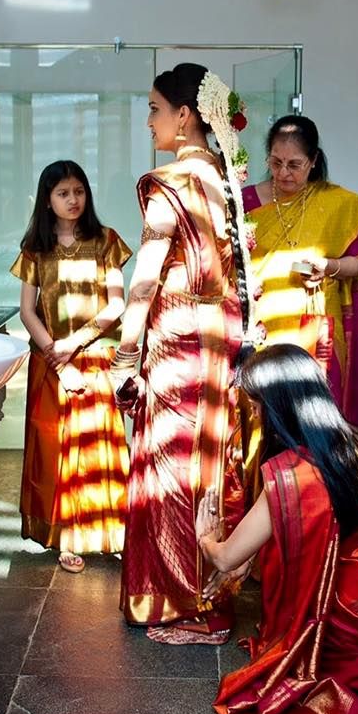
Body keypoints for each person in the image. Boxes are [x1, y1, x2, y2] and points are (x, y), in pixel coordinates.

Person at [110, 63, 254, 644]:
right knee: (211, 455)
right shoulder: (225, 180)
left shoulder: (173, 181)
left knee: (171, 462)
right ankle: (209, 588)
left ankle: (180, 601)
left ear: (184, 115)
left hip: (178, 335)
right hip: (219, 334)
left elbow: (145, 278)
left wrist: (124, 355)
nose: (150, 122)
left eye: (154, 109)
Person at [196, 343, 358, 714]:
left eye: (256, 408)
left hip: (355, 608)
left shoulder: (294, 473)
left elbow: (225, 556)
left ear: (276, 409)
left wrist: (204, 535)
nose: (255, 418)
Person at [241, 115, 358, 465]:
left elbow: (357, 265)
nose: (284, 173)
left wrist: (329, 267)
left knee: (315, 415)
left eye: (295, 165)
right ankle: (265, 495)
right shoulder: (247, 201)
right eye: (275, 163)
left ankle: (321, 493)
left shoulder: (336, 203)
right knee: (266, 416)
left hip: (315, 329)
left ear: (313, 161)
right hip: (266, 326)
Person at [10, 160, 133, 573]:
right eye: (63, 193)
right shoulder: (35, 250)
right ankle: (66, 536)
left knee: (99, 446)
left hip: (94, 356)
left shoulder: (106, 241)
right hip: (50, 363)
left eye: (78, 191)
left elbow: (117, 305)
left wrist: (73, 344)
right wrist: (56, 355)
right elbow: (27, 311)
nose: (73, 200)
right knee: (56, 448)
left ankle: (109, 533)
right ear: (48, 199)